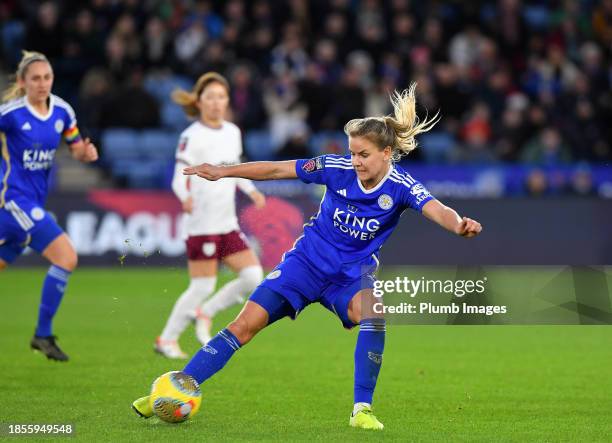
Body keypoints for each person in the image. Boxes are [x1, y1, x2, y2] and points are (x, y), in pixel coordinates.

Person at [133, 83, 482, 429]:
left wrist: (458, 225)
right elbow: (275, 170)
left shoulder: (402, 187)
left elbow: (436, 209)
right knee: (243, 326)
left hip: (348, 276)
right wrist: (224, 171)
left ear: (386, 153)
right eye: (352, 153)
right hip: (304, 265)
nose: (355, 161)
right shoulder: (335, 167)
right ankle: (171, 390)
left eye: (363, 154)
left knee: (374, 314)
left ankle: (362, 410)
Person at [155, 72, 266, 359]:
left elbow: (234, 167)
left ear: (227, 101)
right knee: (202, 284)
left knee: (253, 276)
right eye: (210, 97)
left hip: (226, 225)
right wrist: (185, 196)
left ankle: (205, 313)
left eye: (221, 97)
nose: (216, 103)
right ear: (199, 102)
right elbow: (179, 175)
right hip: (202, 225)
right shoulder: (191, 136)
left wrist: (251, 190)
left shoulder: (232, 131)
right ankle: (166, 339)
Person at [0, 51, 99, 361]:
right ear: (22, 82)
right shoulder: (11, 114)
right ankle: (42, 334)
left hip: (31, 203)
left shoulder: (62, 111)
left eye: (47, 78)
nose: (42, 84)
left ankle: (42, 334)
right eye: (36, 79)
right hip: (14, 199)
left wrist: (85, 154)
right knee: (66, 256)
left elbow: (75, 147)